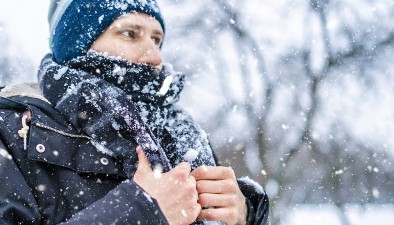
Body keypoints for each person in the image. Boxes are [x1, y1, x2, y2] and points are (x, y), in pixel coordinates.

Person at [0, 0, 269, 224]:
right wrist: (141, 210)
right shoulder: (13, 129)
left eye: (157, 39)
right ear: (77, 44)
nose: (155, 57)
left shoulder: (179, 130)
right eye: (130, 33)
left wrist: (246, 211)